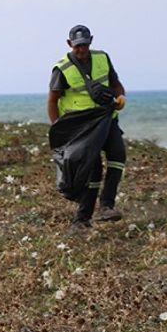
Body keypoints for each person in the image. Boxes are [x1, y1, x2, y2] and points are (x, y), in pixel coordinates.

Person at [48, 25, 127, 230]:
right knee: (93, 171)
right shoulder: (62, 68)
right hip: (80, 127)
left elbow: (116, 83)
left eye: (84, 45)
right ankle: (81, 219)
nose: (81, 50)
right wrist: (58, 130)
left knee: (118, 157)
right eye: (77, 46)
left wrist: (120, 97)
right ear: (69, 44)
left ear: (91, 41)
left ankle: (107, 206)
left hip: (107, 118)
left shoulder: (102, 58)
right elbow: (52, 100)